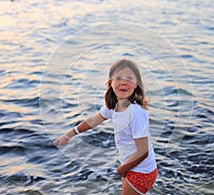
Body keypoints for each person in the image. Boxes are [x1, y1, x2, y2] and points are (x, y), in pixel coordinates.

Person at [54, 58, 157, 195]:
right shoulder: (115, 106)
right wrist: (69, 134)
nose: (123, 82)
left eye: (129, 78)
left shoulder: (135, 113)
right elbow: (94, 120)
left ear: (136, 84)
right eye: (118, 77)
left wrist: (122, 169)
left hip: (141, 171)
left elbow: (143, 151)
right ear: (110, 82)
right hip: (134, 166)